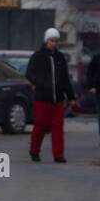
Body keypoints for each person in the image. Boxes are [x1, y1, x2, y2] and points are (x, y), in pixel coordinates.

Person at [24, 27, 73, 162]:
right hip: (42, 98)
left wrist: (71, 97)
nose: (54, 43)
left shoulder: (60, 58)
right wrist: (41, 84)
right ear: (46, 41)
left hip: (58, 99)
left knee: (58, 128)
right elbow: (29, 75)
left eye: (56, 41)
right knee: (40, 126)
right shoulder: (37, 56)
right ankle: (34, 151)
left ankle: (58, 155)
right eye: (52, 40)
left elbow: (65, 79)